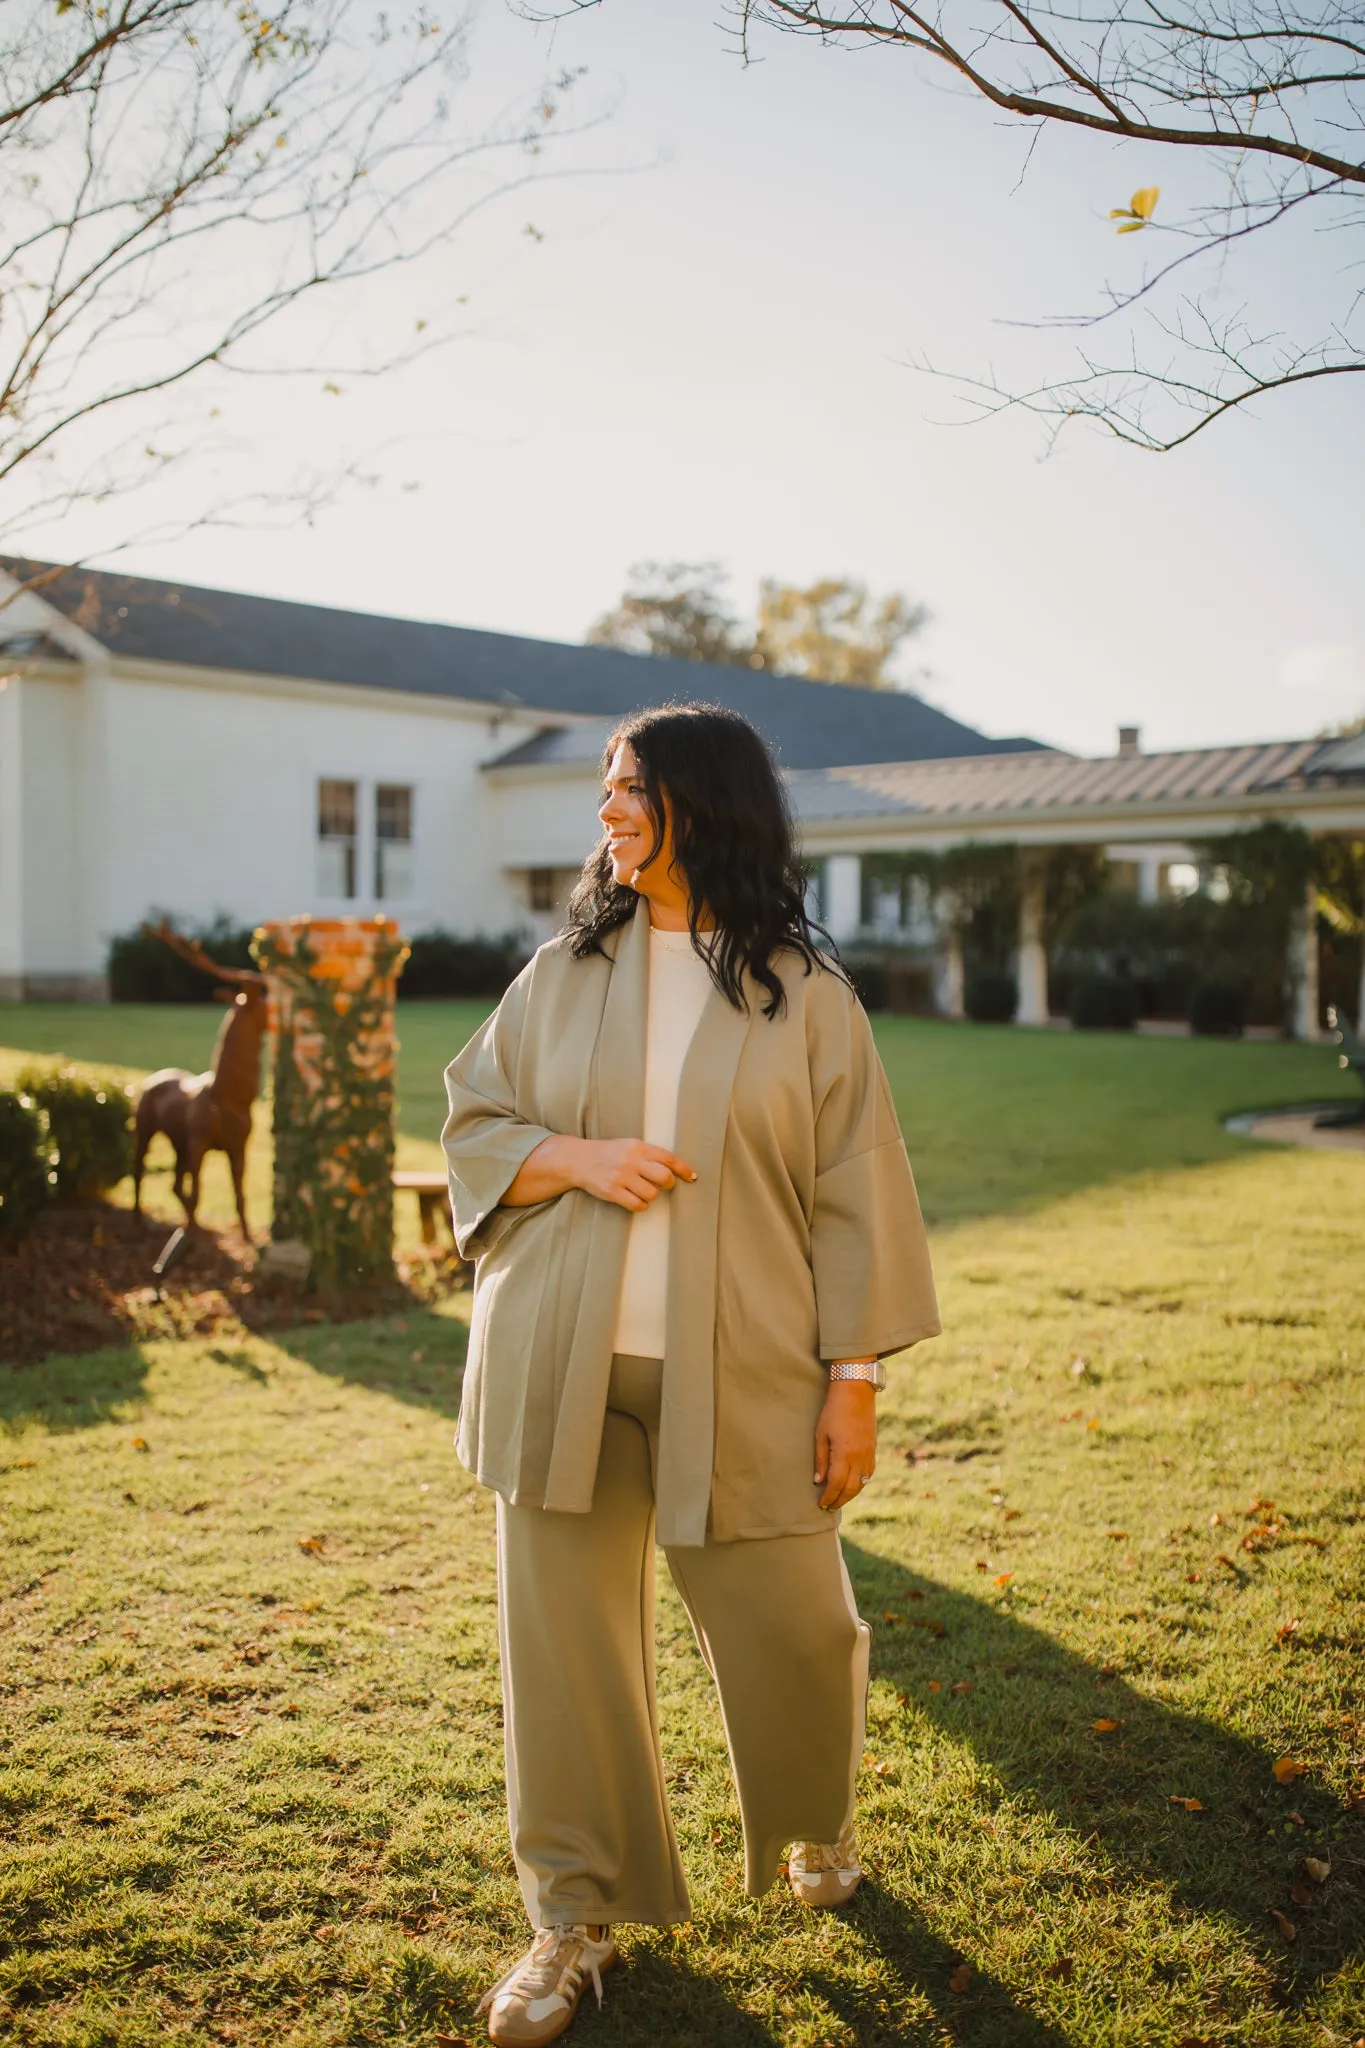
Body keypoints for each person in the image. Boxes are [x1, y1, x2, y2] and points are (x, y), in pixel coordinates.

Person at [442, 702, 939, 2048]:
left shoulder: (807, 996)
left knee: (796, 1619)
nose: (606, 811)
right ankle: (571, 1916)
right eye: (604, 787)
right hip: (561, 1354)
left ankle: (813, 1825)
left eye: (631, 789)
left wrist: (856, 1381)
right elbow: (477, 1119)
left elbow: (857, 1198)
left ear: (701, 807)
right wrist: (579, 1161)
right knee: (563, 1646)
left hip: (753, 1365)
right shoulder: (562, 975)